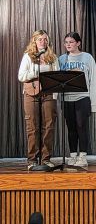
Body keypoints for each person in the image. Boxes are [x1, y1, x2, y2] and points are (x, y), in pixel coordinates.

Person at [18, 29, 59, 171]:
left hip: (48, 93)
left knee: (49, 126)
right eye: (40, 39)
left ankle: (46, 159)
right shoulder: (28, 56)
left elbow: (57, 76)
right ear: (34, 41)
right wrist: (37, 71)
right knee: (32, 127)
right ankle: (32, 160)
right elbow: (21, 76)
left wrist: (55, 95)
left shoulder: (52, 57)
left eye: (45, 39)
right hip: (31, 93)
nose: (43, 42)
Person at [58, 32, 96, 167]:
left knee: (81, 126)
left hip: (82, 97)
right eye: (66, 42)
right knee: (71, 128)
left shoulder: (87, 58)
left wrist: (93, 103)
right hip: (67, 99)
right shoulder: (62, 59)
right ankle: (73, 156)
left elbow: (94, 81)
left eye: (71, 42)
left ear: (78, 43)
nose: (68, 44)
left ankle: (83, 156)